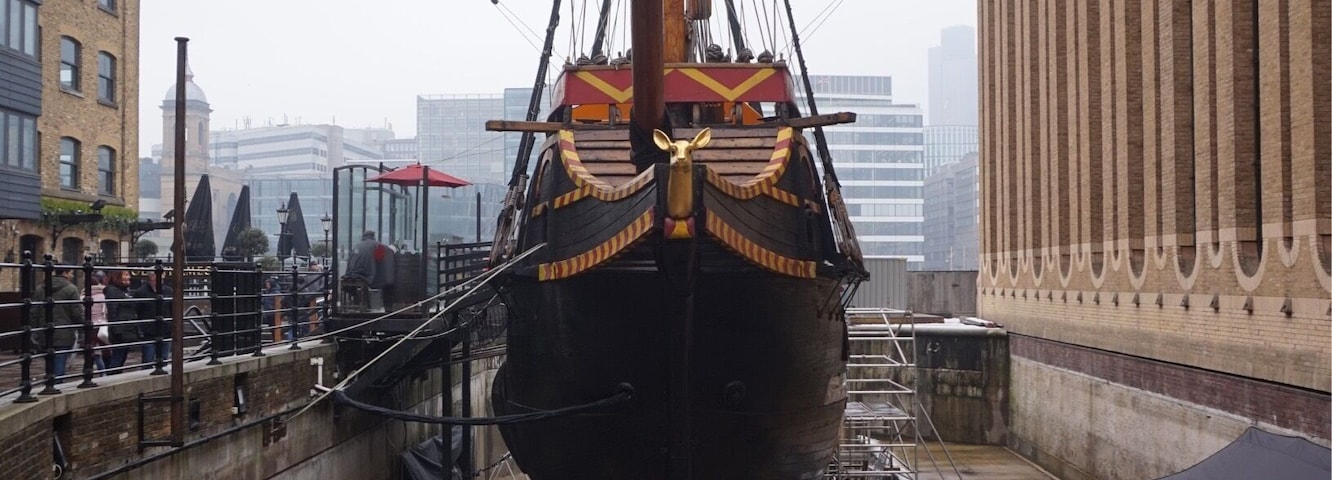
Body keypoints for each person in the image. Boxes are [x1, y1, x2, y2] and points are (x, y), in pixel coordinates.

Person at [28, 268, 83, 379]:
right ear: (64, 273)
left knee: (49, 363)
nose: (72, 276)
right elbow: (77, 313)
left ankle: (50, 383)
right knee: (60, 363)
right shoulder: (71, 289)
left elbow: (34, 312)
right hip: (64, 333)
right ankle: (55, 385)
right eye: (71, 273)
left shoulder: (40, 288)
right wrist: (82, 329)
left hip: (45, 333)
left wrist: (34, 332)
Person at [133, 271, 173, 365]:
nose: (161, 280)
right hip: (148, 331)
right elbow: (136, 311)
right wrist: (140, 329)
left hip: (165, 330)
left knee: (164, 359)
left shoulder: (168, 291)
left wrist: (172, 326)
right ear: (151, 277)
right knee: (148, 360)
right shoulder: (141, 292)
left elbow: (172, 309)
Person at [102, 270, 136, 371]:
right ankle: (111, 377)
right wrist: (117, 330)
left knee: (121, 357)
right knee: (118, 357)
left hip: (126, 328)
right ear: (117, 277)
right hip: (121, 330)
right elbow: (113, 312)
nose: (129, 277)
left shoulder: (123, 291)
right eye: (126, 275)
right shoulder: (113, 291)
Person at [82, 271, 109, 374]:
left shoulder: (83, 297)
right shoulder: (103, 296)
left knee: (90, 351)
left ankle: (88, 373)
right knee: (103, 352)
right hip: (101, 326)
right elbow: (106, 311)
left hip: (89, 327)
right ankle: (104, 373)